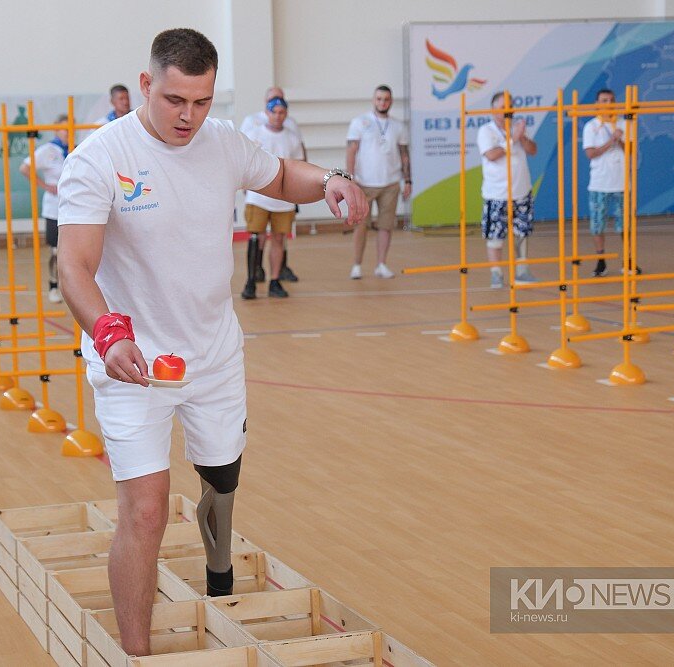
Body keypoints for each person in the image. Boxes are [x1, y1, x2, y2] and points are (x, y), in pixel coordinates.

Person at [56, 28, 365, 656]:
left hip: (215, 353)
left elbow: (281, 176)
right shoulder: (97, 158)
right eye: (174, 100)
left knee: (222, 477)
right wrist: (110, 334)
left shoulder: (221, 142)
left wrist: (331, 178)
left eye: (201, 102)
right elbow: (75, 267)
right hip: (132, 362)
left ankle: (217, 563)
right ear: (146, 85)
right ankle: (137, 653)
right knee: (145, 512)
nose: (187, 117)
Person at [240, 97, 304, 299]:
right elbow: (244, 161)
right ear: (266, 113)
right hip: (258, 195)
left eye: (282, 112)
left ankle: (274, 280)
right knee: (255, 236)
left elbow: (299, 167)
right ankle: (251, 280)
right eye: (274, 112)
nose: (278, 116)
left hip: (284, 198)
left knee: (279, 238)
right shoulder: (254, 133)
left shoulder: (292, 138)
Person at [346, 85, 410, 280]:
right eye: (379, 99)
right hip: (364, 182)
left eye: (386, 99)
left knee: (386, 225)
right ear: (374, 100)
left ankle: (381, 264)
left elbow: (404, 155)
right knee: (361, 225)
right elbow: (351, 150)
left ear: (391, 101)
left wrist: (407, 179)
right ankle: (357, 264)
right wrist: (350, 177)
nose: (382, 102)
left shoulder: (398, 126)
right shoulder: (360, 122)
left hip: (390, 182)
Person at [477, 91, 538, 288]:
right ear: (493, 110)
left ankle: (522, 271)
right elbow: (492, 155)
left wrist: (521, 138)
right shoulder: (486, 131)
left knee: (522, 231)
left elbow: (533, 150)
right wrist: (512, 139)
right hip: (497, 194)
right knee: (495, 236)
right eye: (503, 107)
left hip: (521, 191)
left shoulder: (515, 129)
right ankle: (496, 274)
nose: (507, 111)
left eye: (510, 106)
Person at [20, 114, 71, 303]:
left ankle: (73, 289)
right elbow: (24, 168)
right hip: (54, 209)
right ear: (56, 130)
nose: (67, 132)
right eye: (64, 129)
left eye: (70, 128)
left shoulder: (78, 147)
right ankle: (53, 285)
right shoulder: (48, 150)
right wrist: (44, 186)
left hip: (75, 208)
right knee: (56, 251)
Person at [583, 88, 631, 277]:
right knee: (597, 225)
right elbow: (590, 153)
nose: (608, 104)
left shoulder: (624, 124)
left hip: (621, 183)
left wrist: (619, 140)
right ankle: (601, 261)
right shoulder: (591, 126)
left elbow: (631, 150)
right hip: (599, 183)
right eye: (604, 100)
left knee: (625, 225)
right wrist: (611, 140)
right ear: (597, 104)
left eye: (611, 100)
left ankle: (628, 260)